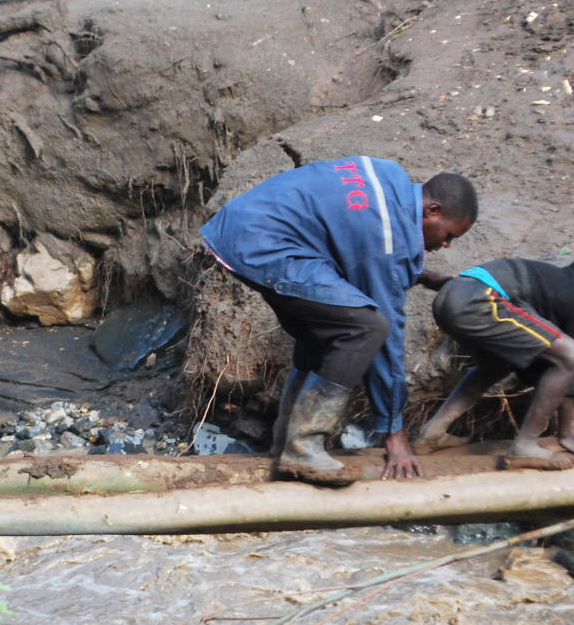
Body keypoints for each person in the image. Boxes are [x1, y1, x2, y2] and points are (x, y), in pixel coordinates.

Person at [199, 156, 478, 485]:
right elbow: (385, 335)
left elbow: (358, 237)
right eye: (448, 235)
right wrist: (393, 431)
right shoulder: (386, 240)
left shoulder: (387, 175)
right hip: (266, 246)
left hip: (240, 228)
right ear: (432, 210)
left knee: (324, 331)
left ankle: (283, 446)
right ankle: (302, 448)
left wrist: (418, 274)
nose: (445, 245)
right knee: (366, 328)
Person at [414, 235, 574, 469]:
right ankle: (524, 447)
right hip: (481, 300)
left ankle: (431, 434)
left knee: (494, 365)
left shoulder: (563, 282)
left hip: (454, 294)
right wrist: (569, 432)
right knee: (571, 357)